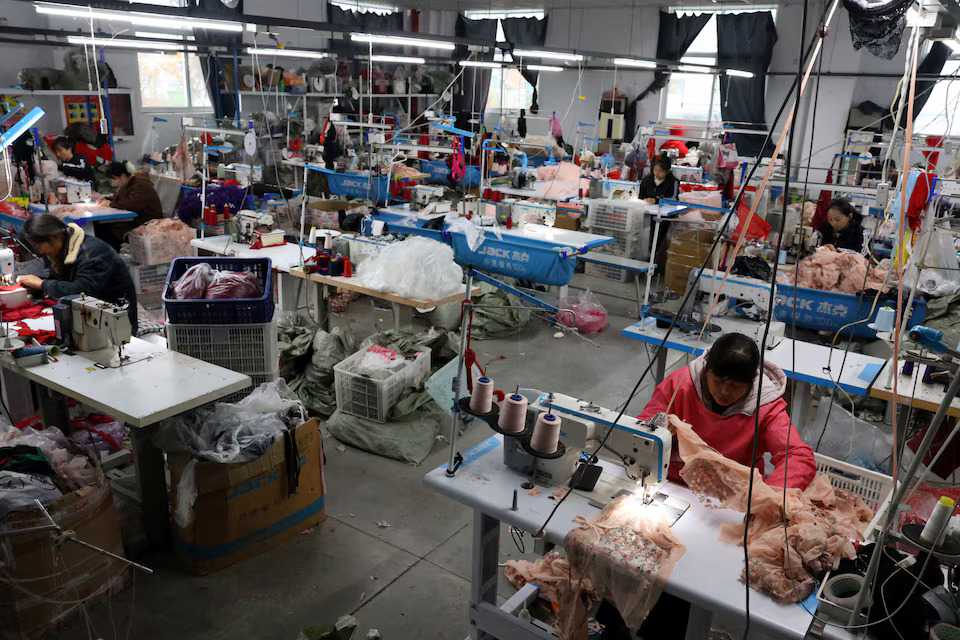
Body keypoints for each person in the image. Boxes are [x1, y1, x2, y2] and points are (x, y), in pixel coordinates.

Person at [638, 332, 816, 490]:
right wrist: (658, 427)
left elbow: (798, 456)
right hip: (676, 483)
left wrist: (769, 497)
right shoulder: (680, 385)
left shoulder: (765, 407)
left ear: (751, 382)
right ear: (707, 370)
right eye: (718, 382)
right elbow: (642, 427)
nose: (724, 392)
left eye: (735, 386)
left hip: (735, 493)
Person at [16, 214, 138, 331]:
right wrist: (34, 288)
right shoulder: (64, 250)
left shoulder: (92, 254)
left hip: (116, 320)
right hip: (91, 315)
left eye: (39, 245)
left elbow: (82, 292)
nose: (41, 251)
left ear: (56, 236)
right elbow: (60, 281)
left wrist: (42, 284)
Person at [96, 161, 163, 250]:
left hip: (147, 223)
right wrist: (107, 199)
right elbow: (121, 198)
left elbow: (131, 204)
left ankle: (112, 256)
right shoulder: (129, 184)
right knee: (101, 227)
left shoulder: (140, 185)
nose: (113, 183)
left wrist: (111, 204)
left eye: (114, 179)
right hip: (136, 220)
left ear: (122, 176)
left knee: (108, 231)